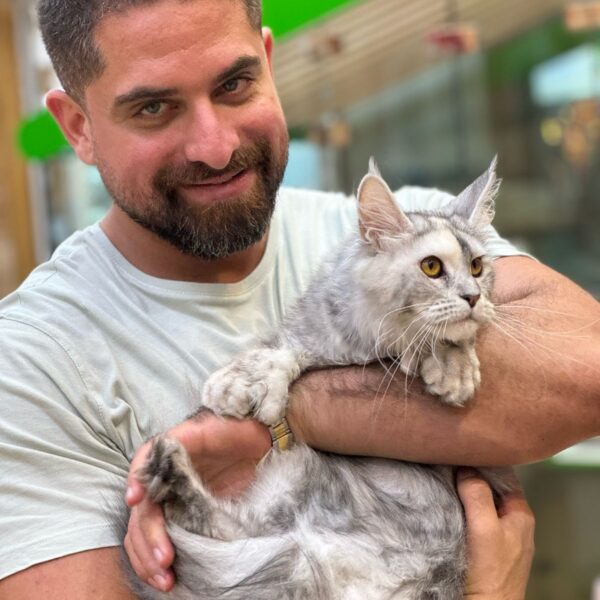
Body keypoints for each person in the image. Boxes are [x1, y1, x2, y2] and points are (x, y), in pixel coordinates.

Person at [0, 0, 595, 597]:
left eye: (234, 84)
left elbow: (583, 374)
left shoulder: (402, 226)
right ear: (78, 126)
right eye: (153, 107)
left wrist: (287, 416)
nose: (214, 145)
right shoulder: (28, 365)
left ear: (267, 61)